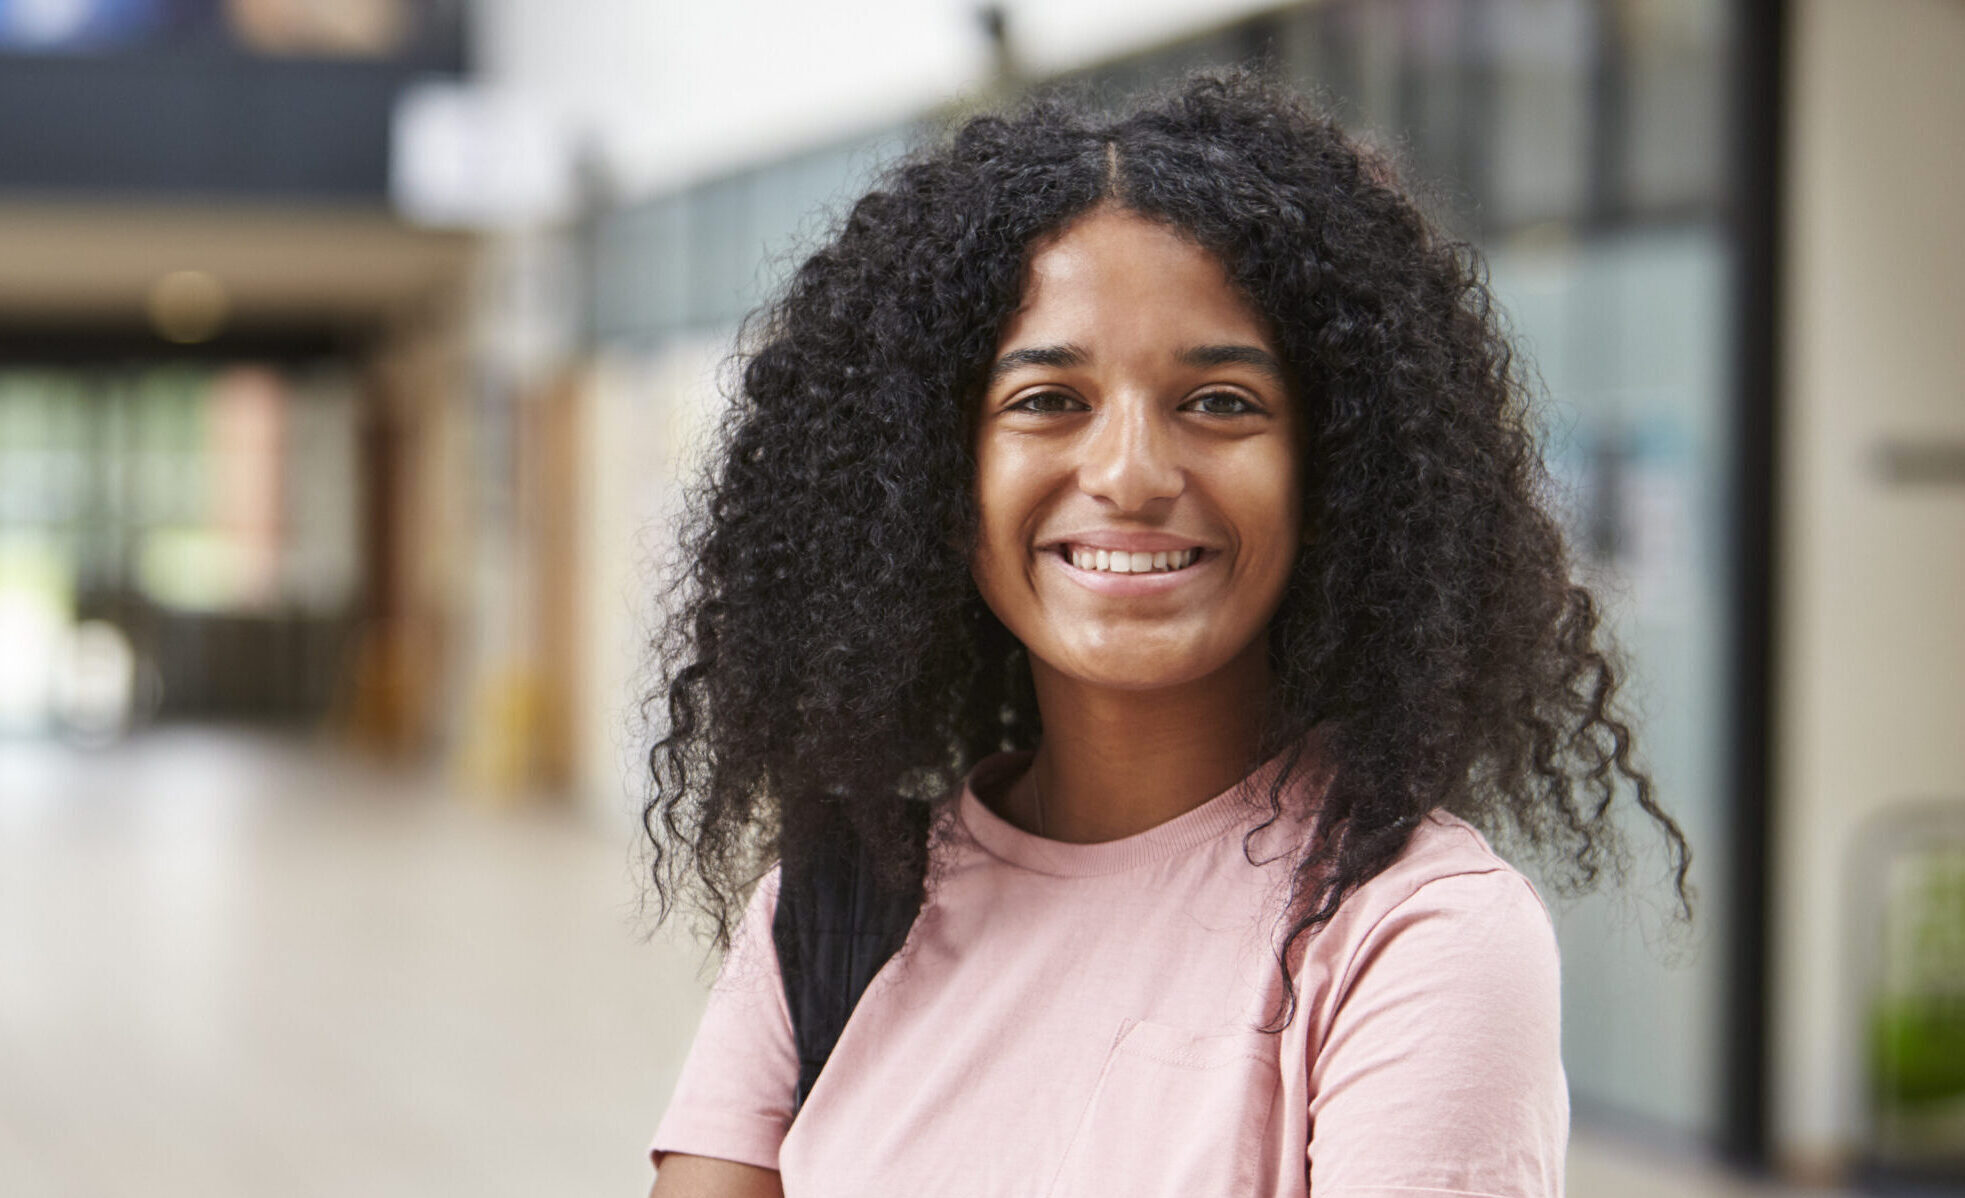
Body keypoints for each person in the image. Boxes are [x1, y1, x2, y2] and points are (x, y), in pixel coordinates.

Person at [638, 68, 1693, 1198]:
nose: (1132, 474)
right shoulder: (831, 909)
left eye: (1222, 402)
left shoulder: (1414, 937)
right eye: (1047, 400)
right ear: (932, 478)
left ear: (1331, 471)